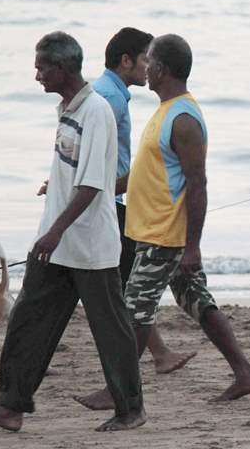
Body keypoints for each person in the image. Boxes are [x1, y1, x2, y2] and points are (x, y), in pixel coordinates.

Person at [0, 31, 145, 432]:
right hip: (57, 242)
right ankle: (10, 407)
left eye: (42, 67)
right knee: (28, 321)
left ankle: (131, 409)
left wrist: (56, 232)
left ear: (62, 69)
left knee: (110, 330)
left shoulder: (96, 110)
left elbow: (94, 183)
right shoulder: (67, 108)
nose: (37, 75)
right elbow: (70, 172)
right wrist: (49, 226)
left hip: (90, 245)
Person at [77, 34, 250, 409]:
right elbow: (144, 173)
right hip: (155, 231)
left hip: (165, 235)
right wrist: (95, 189)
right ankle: (246, 373)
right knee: (197, 302)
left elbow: (198, 184)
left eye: (149, 61)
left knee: (134, 310)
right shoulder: (165, 110)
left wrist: (192, 245)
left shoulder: (183, 119)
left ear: (160, 69)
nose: (145, 67)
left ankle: (119, 389)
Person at [88, 27, 196, 375]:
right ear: (126, 61)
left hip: (118, 201)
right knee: (128, 289)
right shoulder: (111, 97)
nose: (148, 66)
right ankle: (153, 358)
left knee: (129, 291)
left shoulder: (111, 94)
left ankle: (146, 362)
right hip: (111, 201)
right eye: (145, 58)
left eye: (153, 60)